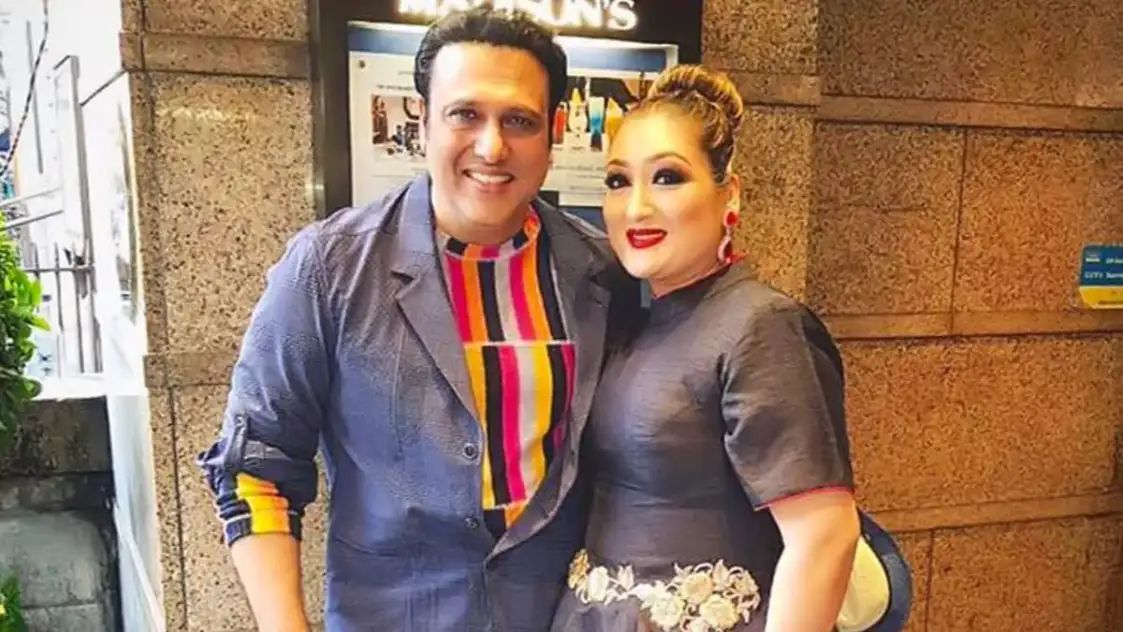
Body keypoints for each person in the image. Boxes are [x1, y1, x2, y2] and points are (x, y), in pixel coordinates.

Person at [197, 7, 634, 631]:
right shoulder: (330, 267)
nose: (492, 146)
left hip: (560, 617)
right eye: (465, 114)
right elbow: (254, 464)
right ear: (423, 121)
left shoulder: (602, 272)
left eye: (519, 120)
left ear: (553, 134)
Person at [551, 65, 867, 632]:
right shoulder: (630, 320)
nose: (636, 207)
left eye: (668, 177)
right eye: (618, 181)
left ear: (730, 194)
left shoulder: (761, 326)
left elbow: (824, 536)